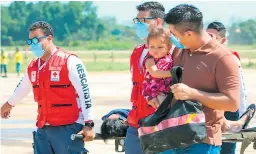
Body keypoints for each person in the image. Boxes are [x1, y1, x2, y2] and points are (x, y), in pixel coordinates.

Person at [1, 21, 94, 154]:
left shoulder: (70, 61)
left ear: (49, 38)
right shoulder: (33, 66)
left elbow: (85, 92)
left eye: (36, 40)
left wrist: (89, 124)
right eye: (30, 41)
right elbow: (22, 88)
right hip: (43, 129)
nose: (33, 44)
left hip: (68, 128)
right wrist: (9, 104)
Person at [164, 4, 241, 153]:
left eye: (174, 34)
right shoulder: (180, 51)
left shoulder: (223, 58)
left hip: (202, 141)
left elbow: (232, 103)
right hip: (172, 136)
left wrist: (193, 94)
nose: (172, 38)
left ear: (188, 34)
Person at [127, 2, 172, 154]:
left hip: (160, 121)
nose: (139, 24)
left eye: (143, 20)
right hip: (135, 121)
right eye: (137, 20)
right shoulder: (137, 51)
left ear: (158, 21)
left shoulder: (173, 51)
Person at [206, 21, 249, 154]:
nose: (209, 40)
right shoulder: (201, 57)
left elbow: (240, 92)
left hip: (229, 111)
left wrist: (240, 119)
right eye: (207, 35)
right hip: (210, 113)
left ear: (223, 40)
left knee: (226, 150)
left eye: (213, 37)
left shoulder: (230, 59)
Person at [142, 28, 173, 108]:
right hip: (156, 93)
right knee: (164, 112)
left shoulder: (169, 57)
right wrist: (172, 73)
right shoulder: (150, 60)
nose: (155, 50)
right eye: (152, 46)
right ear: (147, 46)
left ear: (169, 47)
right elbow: (155, 73)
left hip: (167, 90)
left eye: (160, 47)